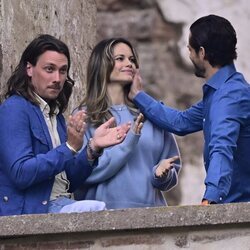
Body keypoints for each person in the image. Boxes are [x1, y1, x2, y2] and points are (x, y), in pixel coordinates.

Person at [0, 34, 130, 216]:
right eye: (49, 69)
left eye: (63, 71)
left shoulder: (57, 116)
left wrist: (92, 148)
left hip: (62, 203)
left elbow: (68, 179)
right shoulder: (14, 109)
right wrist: (69, 148)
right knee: (97, 211)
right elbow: (21, 173)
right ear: (29, 69)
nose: (57, 78)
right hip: (33, 211)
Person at [129, 14, 250, 205]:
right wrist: (138, 96)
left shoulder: (228, 96)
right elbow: (181, 122)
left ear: (202, 53)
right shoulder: (222, 92)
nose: (188, 52)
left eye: (190, 48)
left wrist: (210, 199)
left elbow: (222, 146)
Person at [74, 37, 181, 209]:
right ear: (102, 64)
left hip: (150, 217)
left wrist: (161, 175)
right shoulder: (85, 116)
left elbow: (172, 165)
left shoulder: (150, 113)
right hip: (101, 218)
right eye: (120, 58)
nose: (129, 64)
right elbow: (80, 174)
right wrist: (128, 143)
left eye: (132, 59)